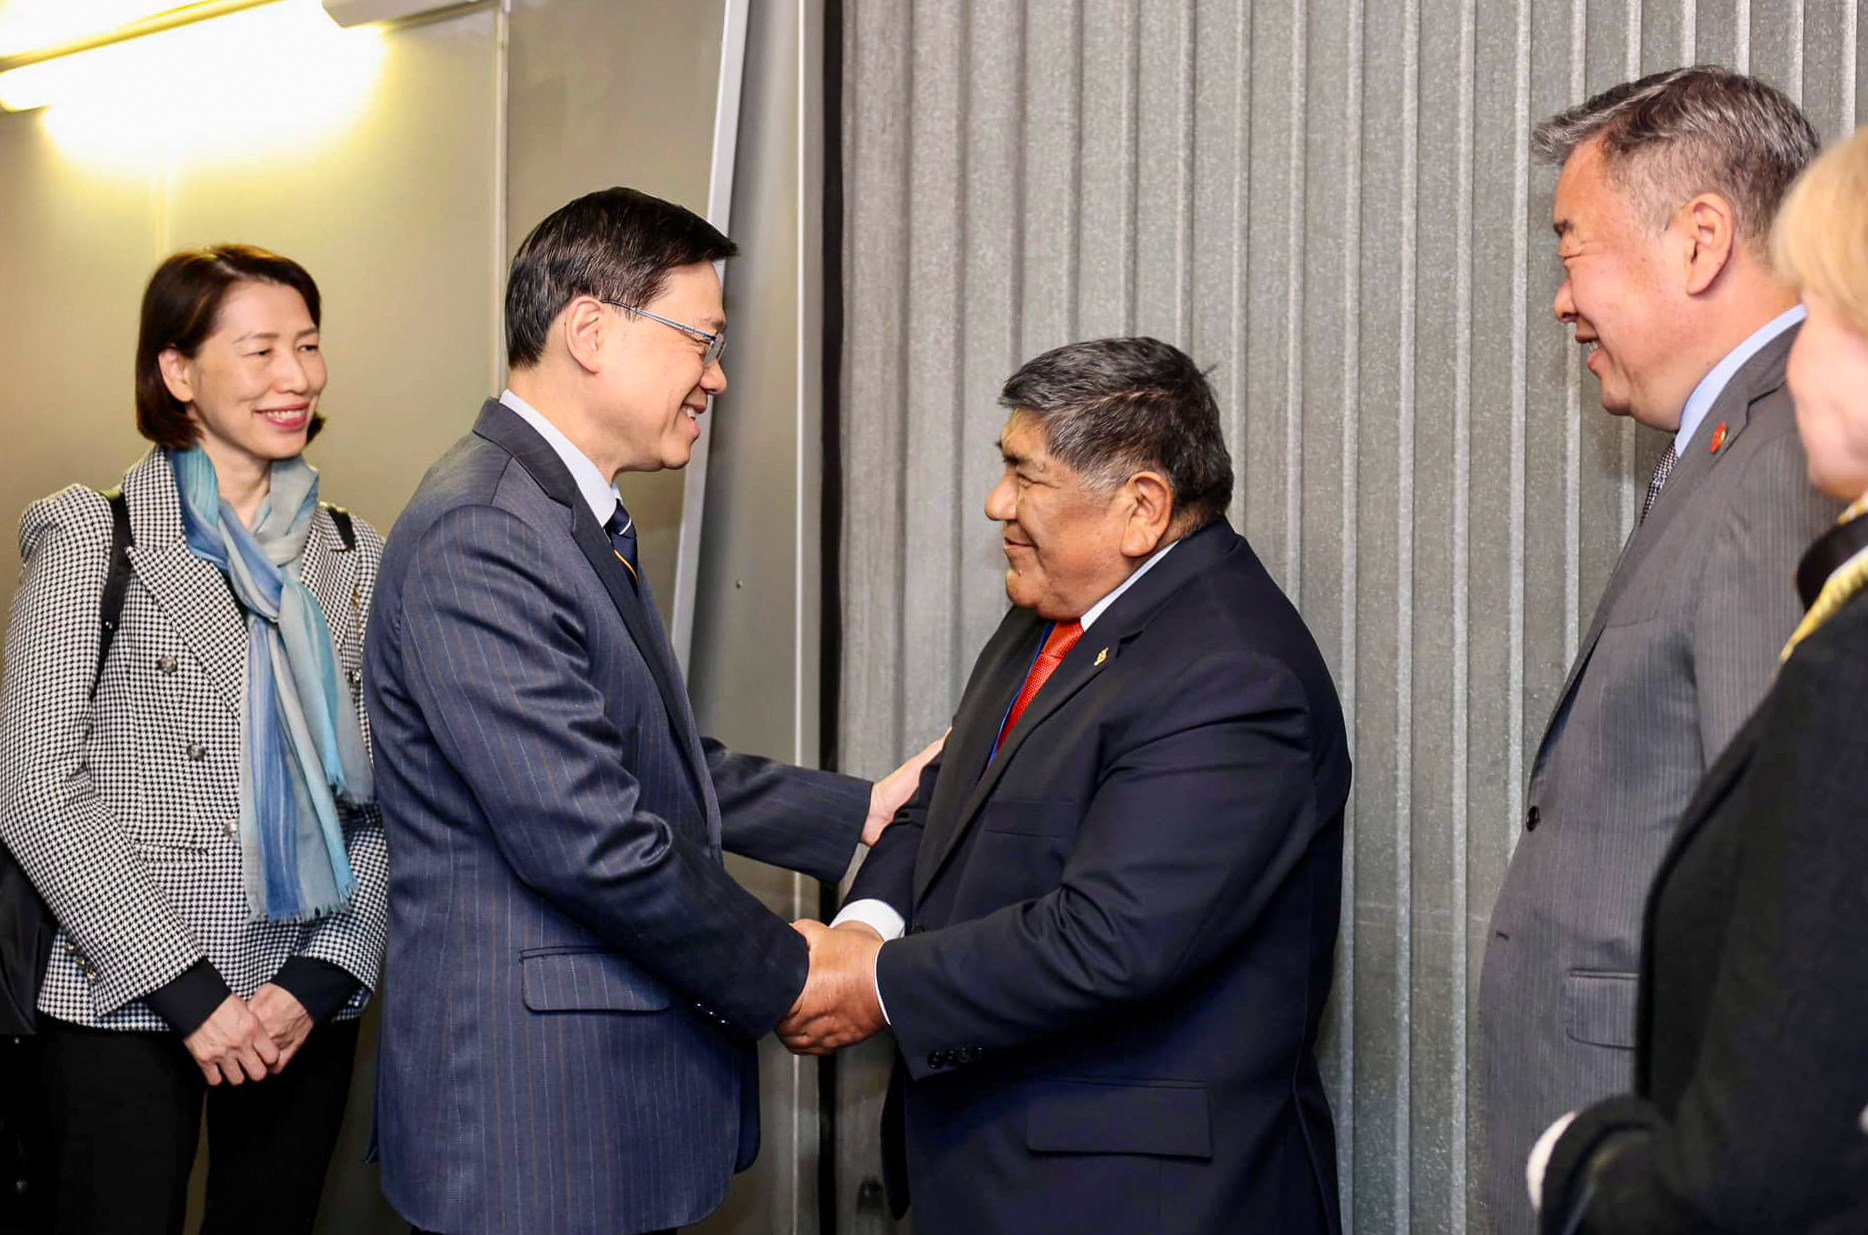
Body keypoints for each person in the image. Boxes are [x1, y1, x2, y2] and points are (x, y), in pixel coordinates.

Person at [364, 186, 936, 1235]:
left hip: (590, 1111)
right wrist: (794, 970)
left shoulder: (551, 512)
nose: (715, 376)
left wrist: (853, 812)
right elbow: (587, 834)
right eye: (700, 341)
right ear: (590, 329)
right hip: (536, 1130)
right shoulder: (484, 531)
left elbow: (645, 758)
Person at [779, 338, 1351, 1235]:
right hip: (992, 1177)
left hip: (1139, 1203)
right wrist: (863, 926)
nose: (995, 503)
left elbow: (1109, 937)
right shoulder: (1051, 608)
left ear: (1142, 509)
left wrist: (877, 983)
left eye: (1025, 475)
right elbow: (943, 791)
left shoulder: (1234, 672)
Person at [1476, 66, 1843, 1234]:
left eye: (1569, 248)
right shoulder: (1727, 448)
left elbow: (1780, 866)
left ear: (1696, 241)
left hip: (1661, 1144)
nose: (1558, 301)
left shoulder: (1786, 463)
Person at [0, 245, 387, 1234]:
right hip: (127, 989)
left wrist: (327, 971)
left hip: (301, 996)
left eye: (307, 345)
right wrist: (189, 992)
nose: (295, 375)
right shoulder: (99, 534)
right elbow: (36, 789)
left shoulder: (355, 554)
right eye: (259, 350)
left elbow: (389, 800)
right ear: (178, 373)